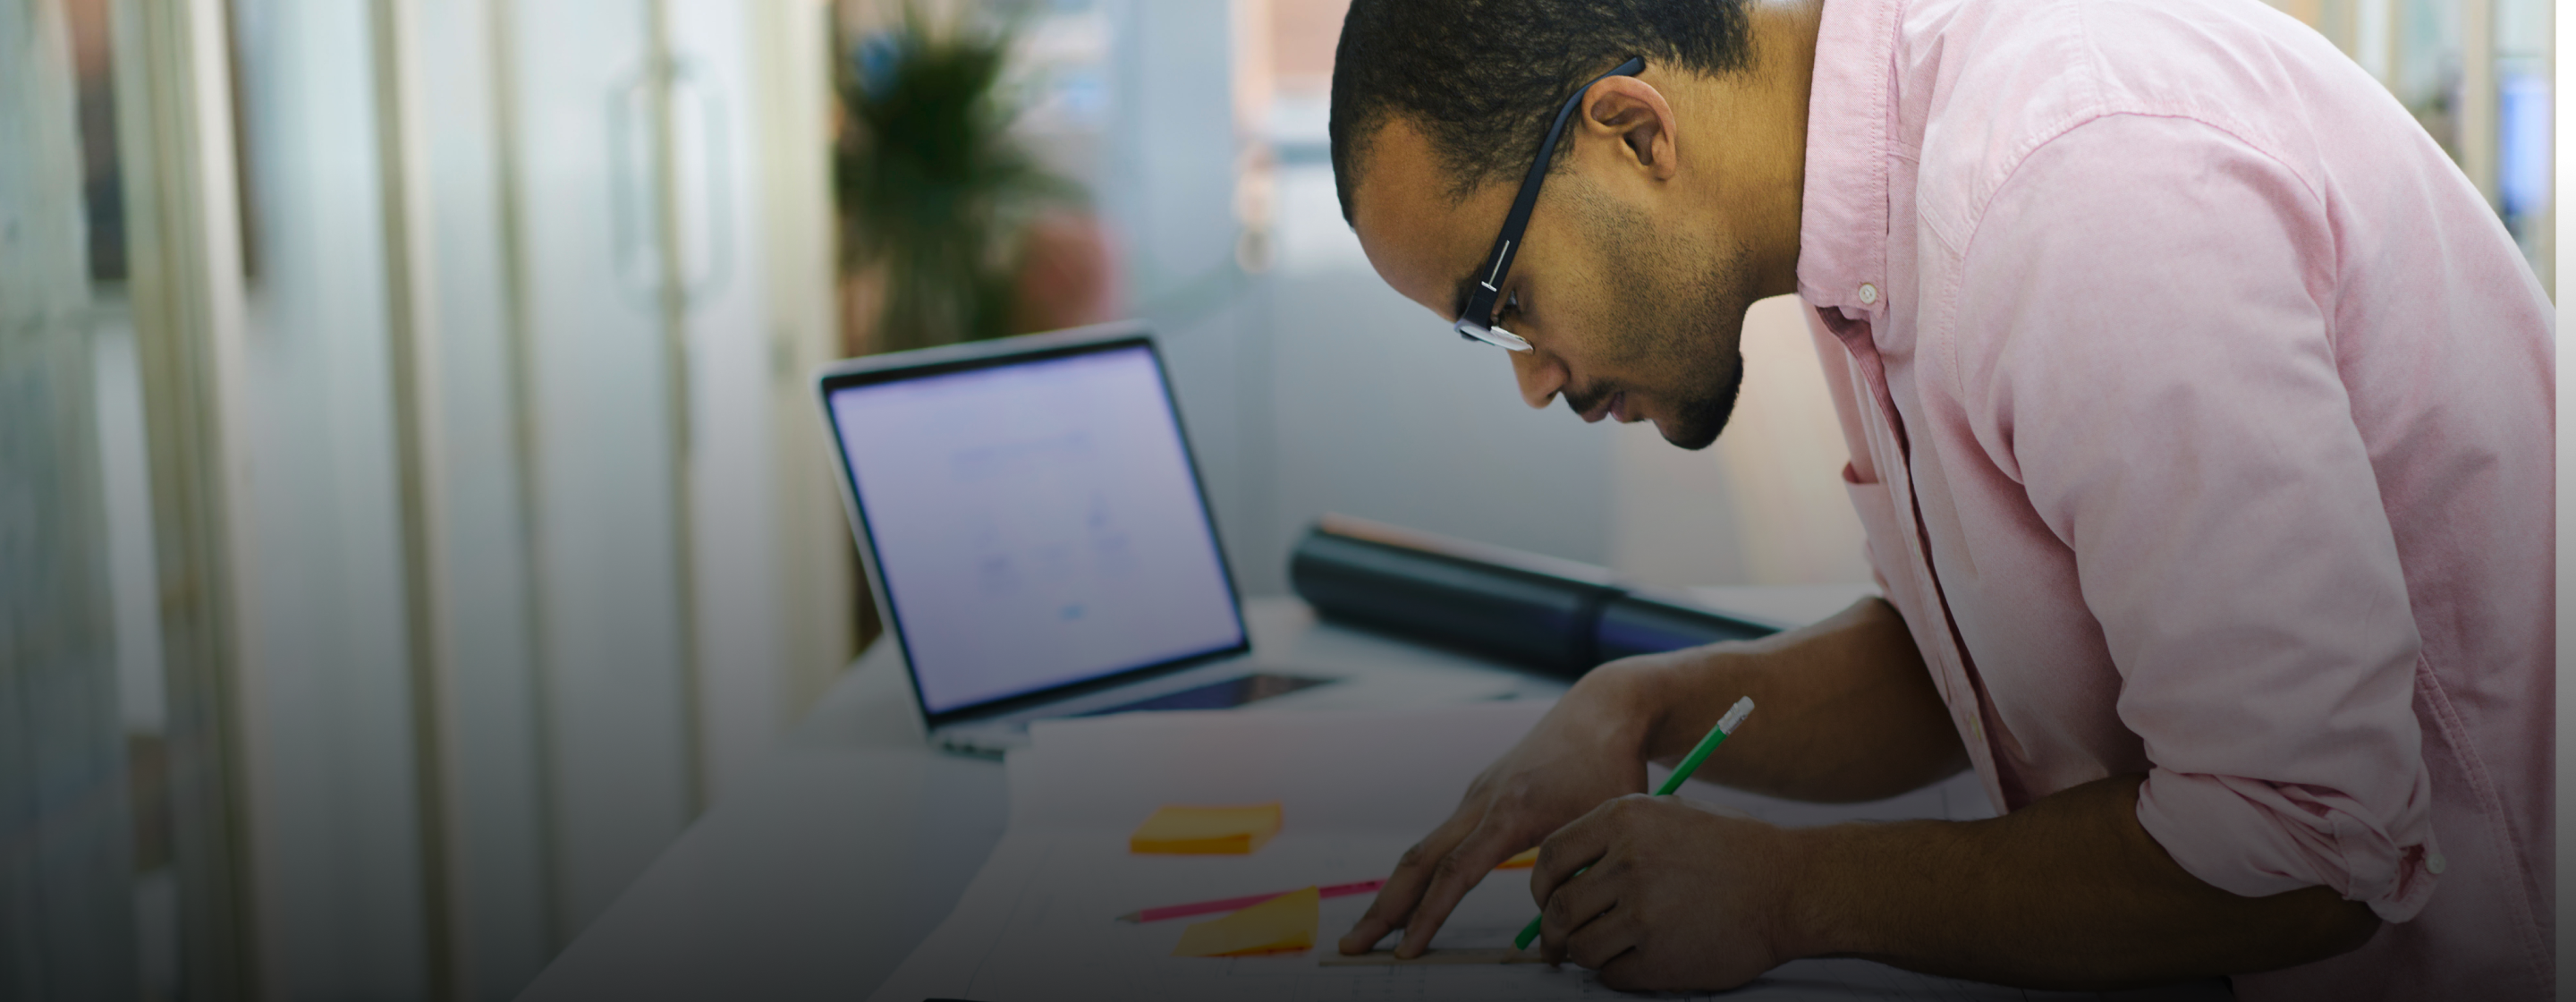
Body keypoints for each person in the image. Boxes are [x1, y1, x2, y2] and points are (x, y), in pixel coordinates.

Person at [1322, 0, 2555, 998]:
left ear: (1636, 133)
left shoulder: (2071, 187)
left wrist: (1785, 895)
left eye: (1505, 302)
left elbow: (2309, 848)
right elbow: (1990, 655)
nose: (1535, 381)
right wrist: (1640, 708)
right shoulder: (1865, 210)